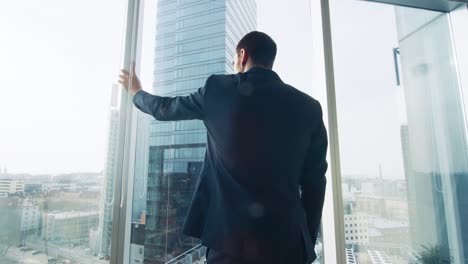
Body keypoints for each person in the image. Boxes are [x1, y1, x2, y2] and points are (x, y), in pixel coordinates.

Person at [119, 31, 328, 264]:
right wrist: (305, 241)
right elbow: (315, 183)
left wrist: (136, 92)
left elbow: (165, 108)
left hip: (231, 244)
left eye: (234, 61)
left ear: (243, 54)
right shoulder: (309, 107)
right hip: (288, 245)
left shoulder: (218, 89)